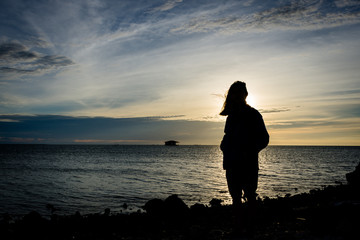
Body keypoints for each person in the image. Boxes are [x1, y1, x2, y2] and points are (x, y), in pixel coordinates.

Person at [220, 81, 269, 235]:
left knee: (249, 195)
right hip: (231, 163)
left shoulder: (253, 114)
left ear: (245, 95)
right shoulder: (231, 116)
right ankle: (239, 227)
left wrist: (249, 152)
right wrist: (223, 145)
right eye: (234, 93)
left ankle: (251, 228)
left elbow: (264, 139)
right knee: (235, 197)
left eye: (240, 93)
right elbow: (228, 136)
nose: (236, 96)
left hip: (247, 164)